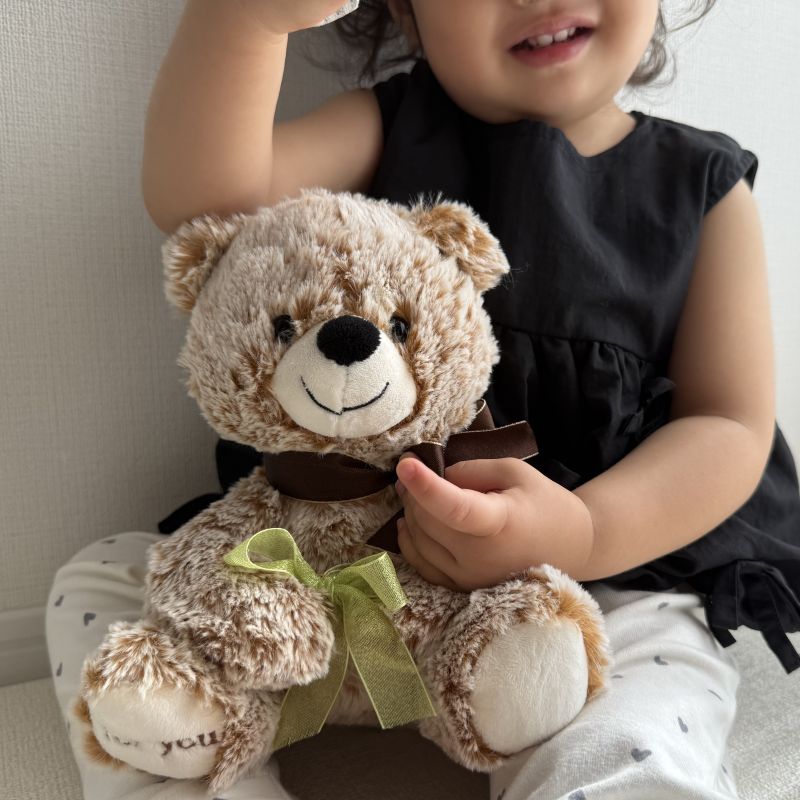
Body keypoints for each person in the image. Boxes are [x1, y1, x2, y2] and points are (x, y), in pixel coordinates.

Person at [46, 1, 800, 799]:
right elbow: (209, 207)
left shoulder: (701, 187)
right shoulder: (390, 126)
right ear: (406, 13)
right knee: (106, 588)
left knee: (637, 708)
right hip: (309, 581)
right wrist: (247, 22)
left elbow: (727, 423)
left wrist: (585, 534)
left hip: (590, 591)